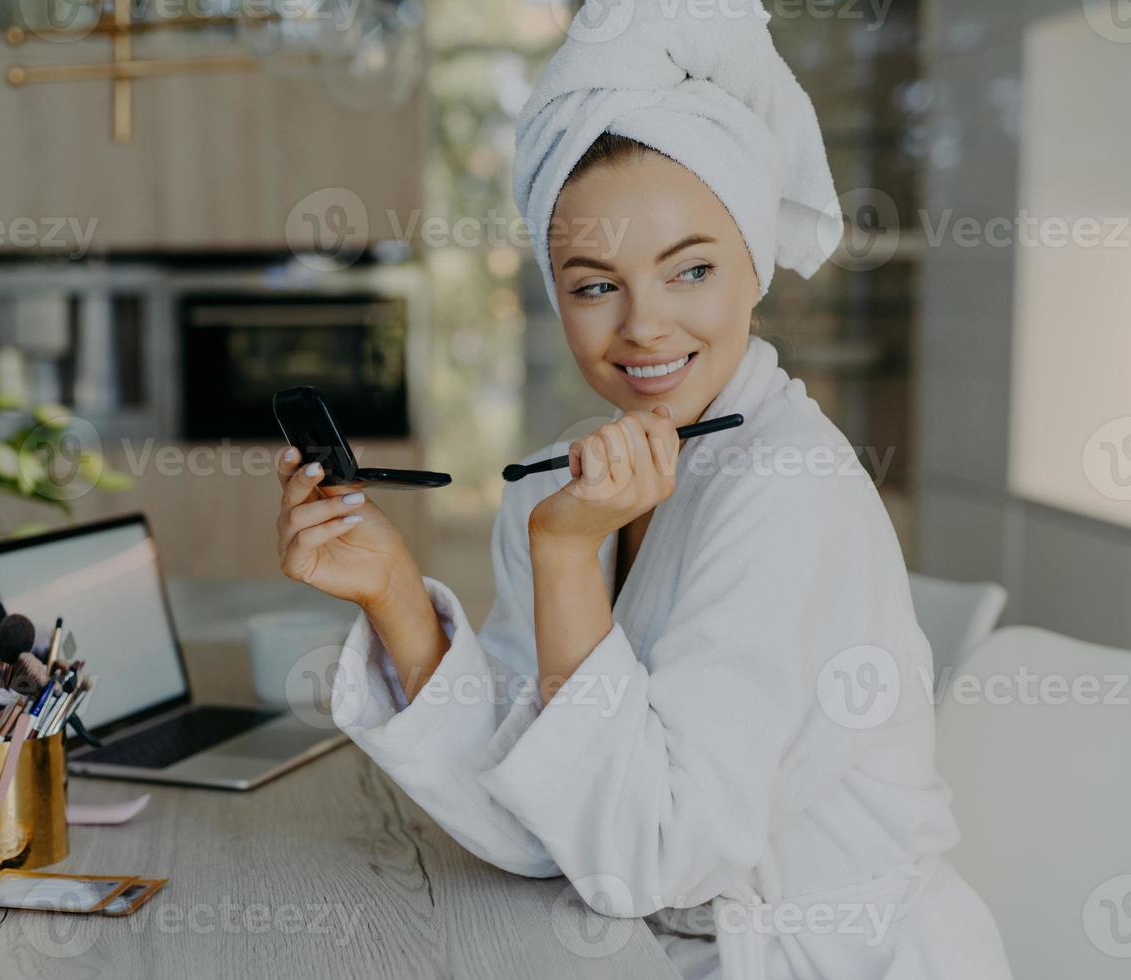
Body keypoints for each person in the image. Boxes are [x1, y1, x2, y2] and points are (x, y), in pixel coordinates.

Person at [272, 2, 1012, 976]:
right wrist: (394, 593)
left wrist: (568, 556)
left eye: (690, 269)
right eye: (593, 284)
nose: (644, 327)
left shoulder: (790, 486)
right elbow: (541, 817)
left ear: (753, 266)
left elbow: (649, 855)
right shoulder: (569, 476)